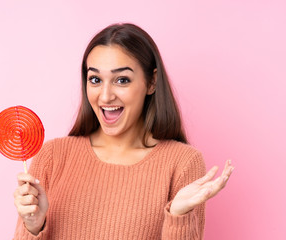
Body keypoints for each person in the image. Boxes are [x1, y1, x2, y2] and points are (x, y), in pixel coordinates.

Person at [13, 23, 234, 240]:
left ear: (152, 82)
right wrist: (33, 226)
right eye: (95, 79)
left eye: (122, 80)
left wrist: (179, 217)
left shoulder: (182, 162)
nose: (106, 96)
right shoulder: (53, 156)